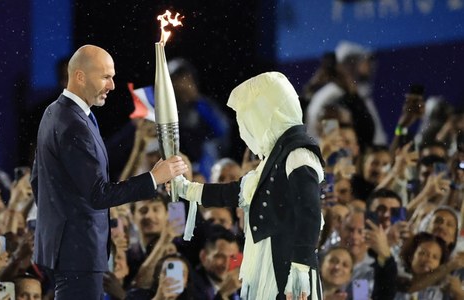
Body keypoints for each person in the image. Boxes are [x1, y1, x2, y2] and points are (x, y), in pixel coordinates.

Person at [30, 44, 188, 300]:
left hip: (63, 249)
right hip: (78, 254)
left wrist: (57, 223)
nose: (112, 85)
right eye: (106, 77)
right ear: (80, 76)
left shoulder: (54, 112)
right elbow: (98, 194)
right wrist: (154, 178)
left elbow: (37, 179)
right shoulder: (73, 124)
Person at [175, 72, 325, 299]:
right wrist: (188, 189)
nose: (247, 128)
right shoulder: (272, 162)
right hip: (268, 267)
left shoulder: (299, 155)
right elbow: (233, 192)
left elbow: (310, 213)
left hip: (288, 270)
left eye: (250, 116)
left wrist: (301, 267)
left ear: (266, 113)